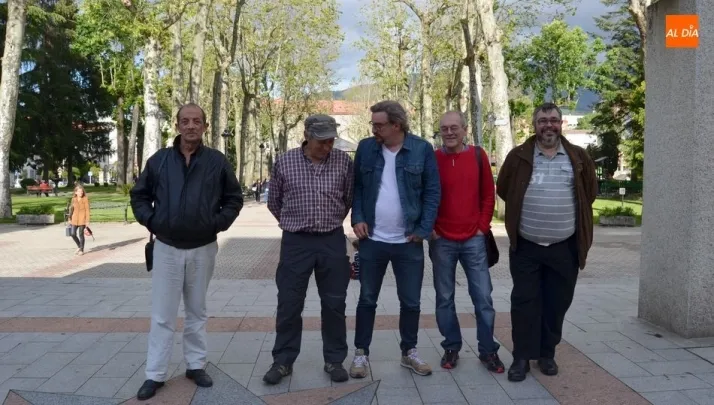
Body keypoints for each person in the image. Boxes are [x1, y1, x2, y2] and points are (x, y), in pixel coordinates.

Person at [130, 103, 244, 400]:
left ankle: (195, 365)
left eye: (196, 121)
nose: (191, 126)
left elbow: (234, 198)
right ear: (177, 125)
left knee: (197, 311)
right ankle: (155, 374)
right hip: (166, 247)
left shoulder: (217, 162)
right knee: (162, 315)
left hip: (203, 247)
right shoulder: (159, 161)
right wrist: (153, 221)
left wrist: (216, 223)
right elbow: (139, 196)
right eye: (185, 121)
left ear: (205, 126)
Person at [496, 102, 597, 382]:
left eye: (553, 120)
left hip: (565, 248)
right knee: (524, 303)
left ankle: (546, 354)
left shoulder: (578, 157)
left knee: (557, 303)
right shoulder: (518, 156)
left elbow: (588, 193)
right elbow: (504, 189)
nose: (548, 125)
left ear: (561, 124)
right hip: (526, 247)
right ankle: (521, 357)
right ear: (535, 125)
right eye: (543, 120)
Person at [349, 100, 441, 378]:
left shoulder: (421, 149)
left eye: (379, 125)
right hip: (372, 239)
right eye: (373, 124)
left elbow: (432, 192)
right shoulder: (366, 148)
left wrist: (423, 229)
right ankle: (361, 354)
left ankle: (409, 352)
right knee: (367, 299)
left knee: (411, 302)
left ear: (396, 125)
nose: (374, 129)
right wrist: (358, 218)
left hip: (408, 242)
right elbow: (358, 187)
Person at [263, 114, 354, 385]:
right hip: (296, 242)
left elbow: (348, 198)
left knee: (334, 303)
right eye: (321, 141)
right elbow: (274, 201)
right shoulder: (285, 162)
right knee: (289, 303)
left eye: (331, 141)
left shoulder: (343, 162)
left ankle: (334, 359)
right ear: (306, 136)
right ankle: (283, 361)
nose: (327, 146)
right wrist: (296, 223)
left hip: (331, 241)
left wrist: (329, 220)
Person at [429, 111, 504, 372]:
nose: (449, 133)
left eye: (454, 128)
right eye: (444, 128)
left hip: (474, 239)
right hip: (441, 239)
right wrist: (431, 229)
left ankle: (488, 350)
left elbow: (488, 195)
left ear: (465, 129)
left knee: (483, 297)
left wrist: (482, 228)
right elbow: (425, 195)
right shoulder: (433, 159)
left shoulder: (478, 156)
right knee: (444, 298)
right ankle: (451, 347)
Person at [69, 184, 90, 256]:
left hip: (82, 219)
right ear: (76, 192)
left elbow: (87, 210)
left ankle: (81, 250)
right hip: (74, 219)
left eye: (82, 191)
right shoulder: (73, 199)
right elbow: (71, 209)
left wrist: (87, 220)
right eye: (79, 191)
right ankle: (79, 246)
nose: (81, 192)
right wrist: (69, 218)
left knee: (81, 234)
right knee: (72, 234)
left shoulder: (85, 199)